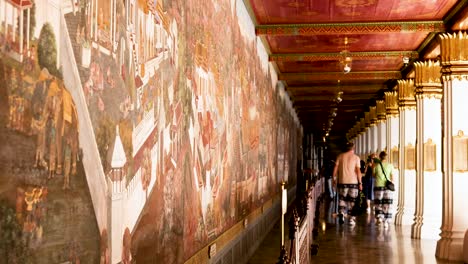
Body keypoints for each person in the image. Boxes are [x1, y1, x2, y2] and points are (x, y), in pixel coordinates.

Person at [332, 142, 362, 226]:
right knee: (352, 201)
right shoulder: (356, 158)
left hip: (342, 182)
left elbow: (335, 169)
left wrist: (334, 179)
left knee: (342, 199)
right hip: (353, 183)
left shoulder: (340, 156)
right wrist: (360, 183)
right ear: (353, 148)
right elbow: (358, 171)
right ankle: (351, 220)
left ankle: (341, 213)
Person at [373, 151, 394, 228]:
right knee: (387, 203)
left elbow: (374, 175)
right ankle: (386, 221)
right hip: (387, 187)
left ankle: (379, 217)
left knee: (378, 203)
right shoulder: (390, 165)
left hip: (378, 186)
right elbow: (392, 177)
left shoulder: (376, 165)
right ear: (386, 157)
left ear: (379, 157)